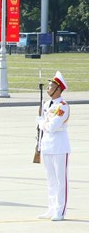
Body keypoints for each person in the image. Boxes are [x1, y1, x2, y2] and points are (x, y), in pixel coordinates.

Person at [37, 71, 71, 221]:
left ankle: (60, 210)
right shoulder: (46, 105)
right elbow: (44, 127)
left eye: (51, 86)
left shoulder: (63, 106)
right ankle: (51, 208)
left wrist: (41, 123)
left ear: (58, 89)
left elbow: (52, 126)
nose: (48, 88)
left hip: (59, 146)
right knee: (50, 179)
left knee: (60, 180)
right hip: (47, 146)